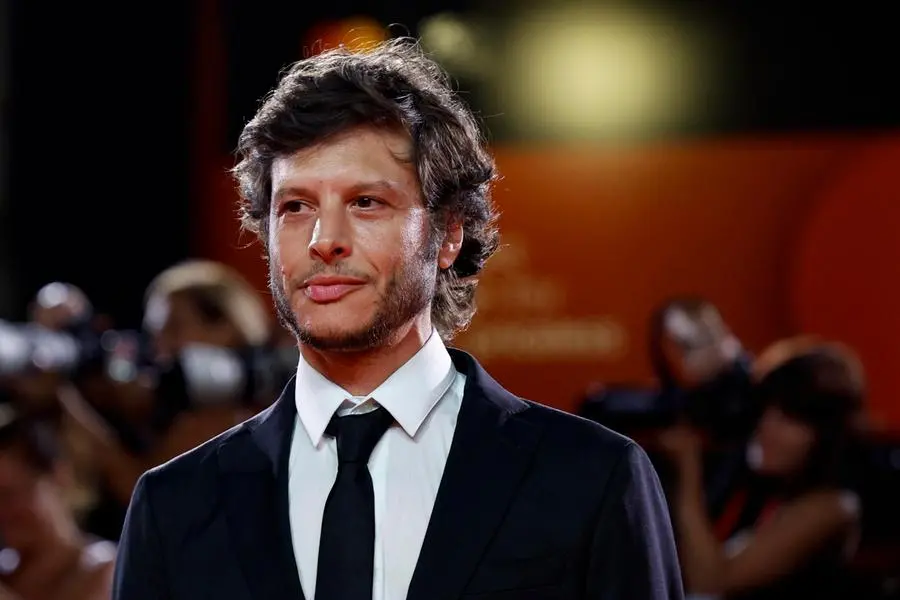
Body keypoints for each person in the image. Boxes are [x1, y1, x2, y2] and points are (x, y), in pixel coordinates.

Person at [113, 39, 683, 600]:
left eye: (366, 202)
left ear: (449, 233)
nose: (324, 240)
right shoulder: (174, 506)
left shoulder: (591, 479)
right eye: (296, 207)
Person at [659, 338, 864, 599]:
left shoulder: (833, 508)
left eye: (788, 418)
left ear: (825, 433)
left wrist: (688, 473)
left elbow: (711, 582)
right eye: (765, 412)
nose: (767, 429)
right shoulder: (764, 492)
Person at [0, 416, 114, 600]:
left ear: (57, 478)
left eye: (9, 495)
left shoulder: (108, 573)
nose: (2, 511)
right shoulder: (6, 572)